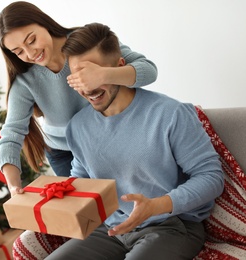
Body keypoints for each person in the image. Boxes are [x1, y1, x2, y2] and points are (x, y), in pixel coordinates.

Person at [14, 23, 224, 260]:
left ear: (118, 68)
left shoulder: (171, 114)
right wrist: (53, 197)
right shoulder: (78, 127)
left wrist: (157, 205)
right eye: (78, 77)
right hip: (110, 228)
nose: (87, 86)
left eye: (91, 74)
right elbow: (82, 181)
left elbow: (211, 177)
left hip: (171, 226)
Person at [0, 1, 158, 195]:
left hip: (109, 139)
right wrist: (13, 186)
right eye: (18, 51)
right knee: (88, 214)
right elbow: (11, 134)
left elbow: (149, 70)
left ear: (43, 23)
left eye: (31, 40)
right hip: (65, 153)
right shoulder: (25, 81)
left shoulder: (85, 41)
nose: (30, 53)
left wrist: (103, 74)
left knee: (127, 200)